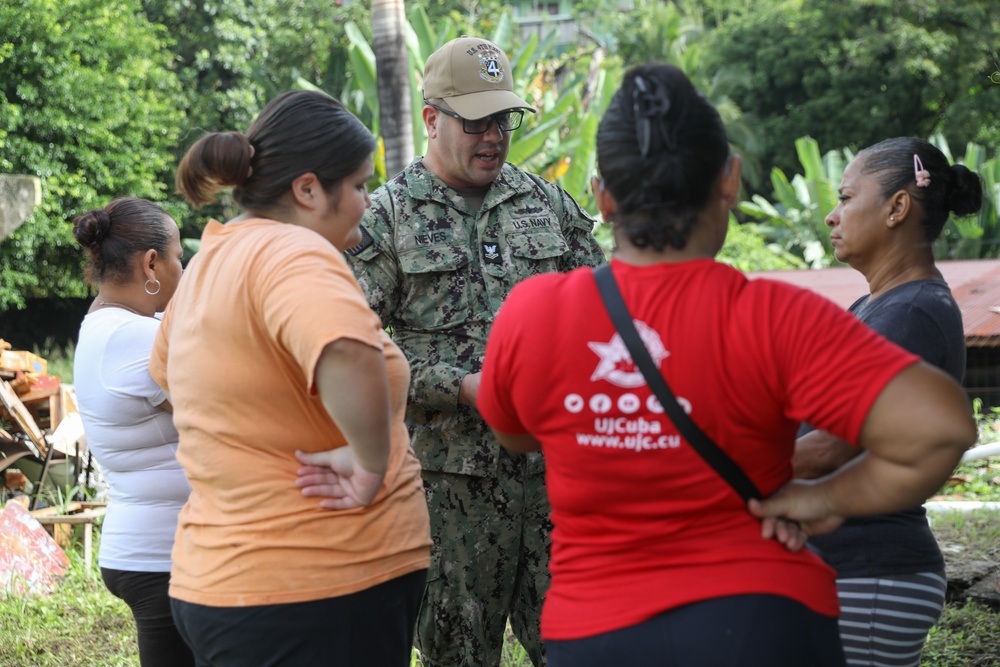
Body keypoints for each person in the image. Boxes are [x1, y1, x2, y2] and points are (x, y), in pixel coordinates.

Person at [475, 64, 978, 667]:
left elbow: (512, 430)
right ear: (730, 182)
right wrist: (824, 499)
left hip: (597, 632)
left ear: (602, 195)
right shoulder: (775, 316)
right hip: (763, 621)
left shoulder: (534, 312)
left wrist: (614, 433)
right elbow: (941, 427)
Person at [345, 36, 605, 667]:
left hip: (553, 482)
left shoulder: (544, 204)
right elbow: (354, 346)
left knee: (580, 647)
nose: (493, 135)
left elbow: (602, 311)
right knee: (458, 657)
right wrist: (456, 386)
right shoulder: (386, 218)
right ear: (432, 119)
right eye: (476, 120)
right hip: (448, 489)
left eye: (503, 119)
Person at [150, 89, 431, 667]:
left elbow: (170, 375)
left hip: (228, 575)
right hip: (317, 584)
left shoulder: (211, 259)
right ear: (308, 189)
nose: (367, 200)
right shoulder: (294, 252)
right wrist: (370, 461)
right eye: (357, 185)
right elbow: (348, 351)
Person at [794, 137, 983, 667]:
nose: (832, 216)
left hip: (868, 574)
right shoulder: (874, 305)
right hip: (841, 569)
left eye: (847, 198)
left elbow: (836, 446)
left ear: (898, 207)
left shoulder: (913, 311)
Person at [71, 197, 194, 667]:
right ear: (150, 262)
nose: (183, 267)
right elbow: (228, 409)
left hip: (154, 548)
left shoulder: (112, 324)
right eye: (178, 255)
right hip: (162, 555)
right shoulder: (130, 337)